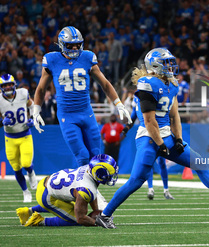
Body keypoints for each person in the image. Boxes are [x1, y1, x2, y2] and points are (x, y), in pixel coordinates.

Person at [95, 48, 209, 229]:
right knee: (136, 181)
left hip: (166, 135)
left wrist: (178, 139)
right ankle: (105, 215)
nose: (171, 66)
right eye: (166, 63)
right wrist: (161, 145)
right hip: (148, 137)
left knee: (199, 163)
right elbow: (149, 121)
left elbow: (175, 115)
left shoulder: (172, 84)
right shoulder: (146, 83)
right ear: (155, 66)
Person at [32, 26, 132, 167]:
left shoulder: (87, 57)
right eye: (70, 45)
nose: (74, 48)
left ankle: (92, 188)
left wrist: (119, 104)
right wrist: (36, 110)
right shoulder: (52, 60)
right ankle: (85, 188)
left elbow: (105, 84)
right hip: (67, 115)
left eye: (77, 44)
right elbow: (41, 89)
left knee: (96, 155)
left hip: (86, 113)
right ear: (62, 45)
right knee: (83, 156)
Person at [16, 154, 118, 227]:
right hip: (46, 196)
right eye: (110, 173)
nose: (112, 176)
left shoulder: (88, 168)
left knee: (70, 207)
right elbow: (80, 218)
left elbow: (93, 192)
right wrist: (96, 222)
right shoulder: (86, 189)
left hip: (46, 182)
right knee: (74, 219)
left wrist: (96, 211)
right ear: (99, 174)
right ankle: (39, 221)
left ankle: (28, 211)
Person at [122, 96, 174, 200]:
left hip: (159, 132)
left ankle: (166, 190)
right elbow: (133, 116)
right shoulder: (137, 98)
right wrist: (127, 127)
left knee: (162, 163)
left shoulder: (151, 94)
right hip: (146, 135)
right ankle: (150, 189)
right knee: (148, 163)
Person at [0, 74, 37, 203]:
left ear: (14, 84)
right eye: (5, 85)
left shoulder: (23, 93)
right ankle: (25, 192)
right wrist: (1, 121)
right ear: (1, 87)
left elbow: (32, 105)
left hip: (25, 134)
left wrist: (33, 118)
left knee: (26, 163)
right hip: (10, 138)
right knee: (16, 167)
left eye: (10, 84)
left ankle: (31, 173)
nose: (8, 87)